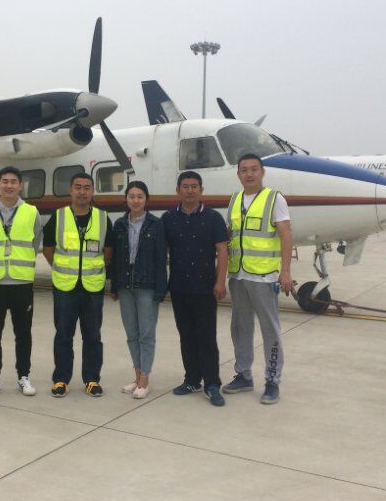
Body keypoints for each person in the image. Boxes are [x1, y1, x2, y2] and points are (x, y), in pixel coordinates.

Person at [222, 153, 292, 405]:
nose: (249, 174)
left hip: (264, 276)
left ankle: (272, 381)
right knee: (240, 327)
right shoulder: (234, 199)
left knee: (269, 329)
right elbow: (230, 235)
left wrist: (286, 271)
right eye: (244, 170)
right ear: (238, 174)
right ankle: (243, 375)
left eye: (254, 169)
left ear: (262, 172)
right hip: (238, 274)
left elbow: (286, 235)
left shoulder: (274, 198)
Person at [162, 171, 230, 407]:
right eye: (185, 186)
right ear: (177, 190)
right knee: (186, 336)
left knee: (207, 337)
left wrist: (220, 282)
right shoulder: (168, 218)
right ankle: (192, 379)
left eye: (194, 186)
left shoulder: (213, 218)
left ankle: (212, 384)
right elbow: (161, 251)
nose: (189, 190)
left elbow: (222, 250)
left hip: (205, 289)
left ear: (201, 190)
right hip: (179, 288)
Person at [42, 172, 114, 397]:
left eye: (86, 187)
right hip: (65, 287)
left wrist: (92, 269)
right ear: (71, 190)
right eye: (78, 187)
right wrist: (63, 268)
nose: (82, 192)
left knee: (92, 336)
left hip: (92, 287)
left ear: (92, 191)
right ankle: (61, 379)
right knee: (63, 335)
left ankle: (91, 379)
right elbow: (48, 248)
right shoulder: (58, 216)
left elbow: (108, 251)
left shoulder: (103, 218)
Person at [0, 166, 42, 397]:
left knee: (23, 333)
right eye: (5, 181)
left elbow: (35, 243)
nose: (9, 185)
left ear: (21, 185)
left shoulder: (31, 212)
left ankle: (23, 376)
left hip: (21, 282)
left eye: (13, 181)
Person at [110, 181, 167, 399]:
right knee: (131, 334)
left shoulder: (156, 224)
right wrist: (114, 285)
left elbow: (161, 259)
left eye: (140, 196)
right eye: (131, 196)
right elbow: (115, 258)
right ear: (126, 199)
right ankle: (137, 376)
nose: (135, 200)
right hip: (125, 286)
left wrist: (161, 289)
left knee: (146, 334)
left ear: (146, 199)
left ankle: (145, 378)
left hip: (147, 287)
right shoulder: (119, 225)